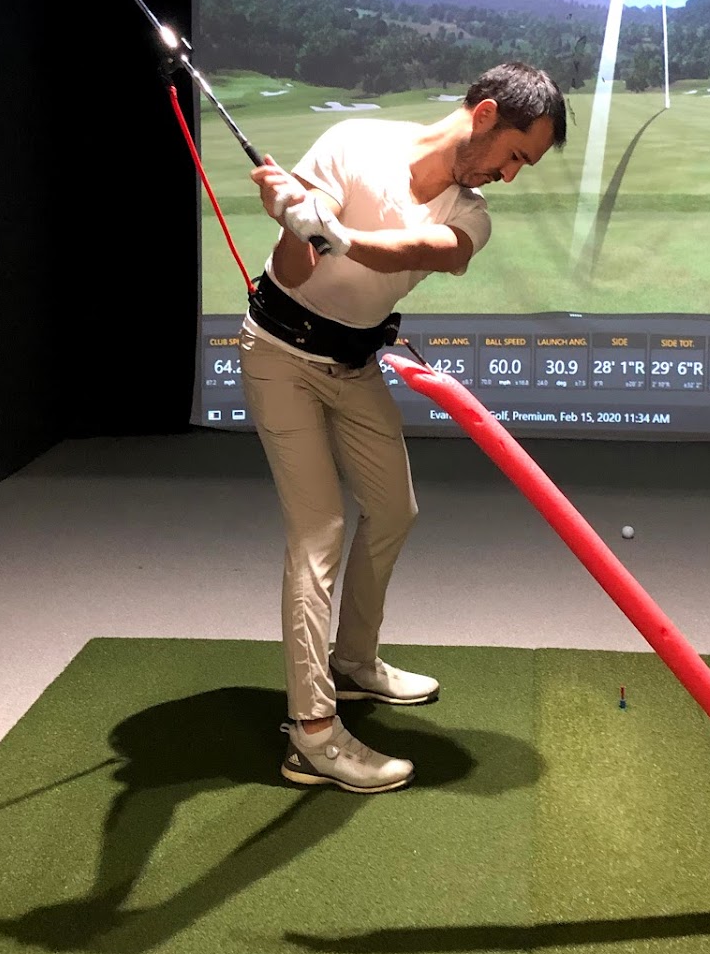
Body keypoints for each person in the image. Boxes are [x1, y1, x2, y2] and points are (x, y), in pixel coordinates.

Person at [239, 62, 566, 794]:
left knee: (394, 510)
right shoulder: (355, 144)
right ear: (485, 114)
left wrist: (337, 234)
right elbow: (295, 270)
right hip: (280, 355)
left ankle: (353, 662)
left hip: (354, 366)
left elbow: (430, 251)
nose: (511, 176)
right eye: (516, 155)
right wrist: (294, 220)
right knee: (319, 528)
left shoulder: (472, 213)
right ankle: (312, 734)